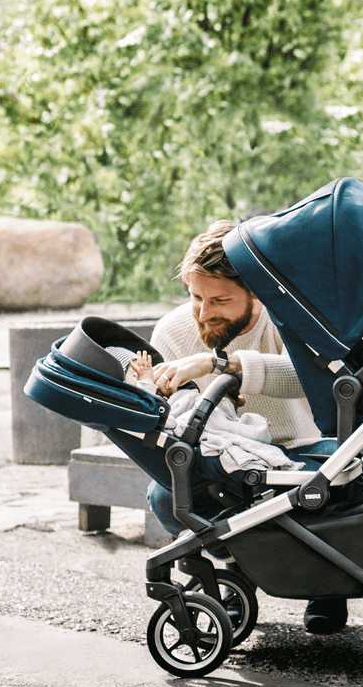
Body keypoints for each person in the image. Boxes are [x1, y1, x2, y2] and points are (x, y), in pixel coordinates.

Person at [146, 220, 348, 635]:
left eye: (219, 300)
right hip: (226, 461)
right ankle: (236, 574)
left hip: (295, 449)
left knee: (338, 485)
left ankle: (326, 587)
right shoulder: (172, 331)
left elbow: (311, 378)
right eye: (196, 297)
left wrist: (226, 368)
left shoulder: (282, 320)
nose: (204, 312)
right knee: (165, 494)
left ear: (252, 291)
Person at [123, 350, 303, 475]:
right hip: (191, 432)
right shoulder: (145, 405)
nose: (148, 374)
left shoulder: (176, 390)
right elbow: (150, 410)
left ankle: (252, 431)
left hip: (202, 414)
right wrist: (146, 383)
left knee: (223, 421)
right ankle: (254, 436)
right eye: (136, 376)